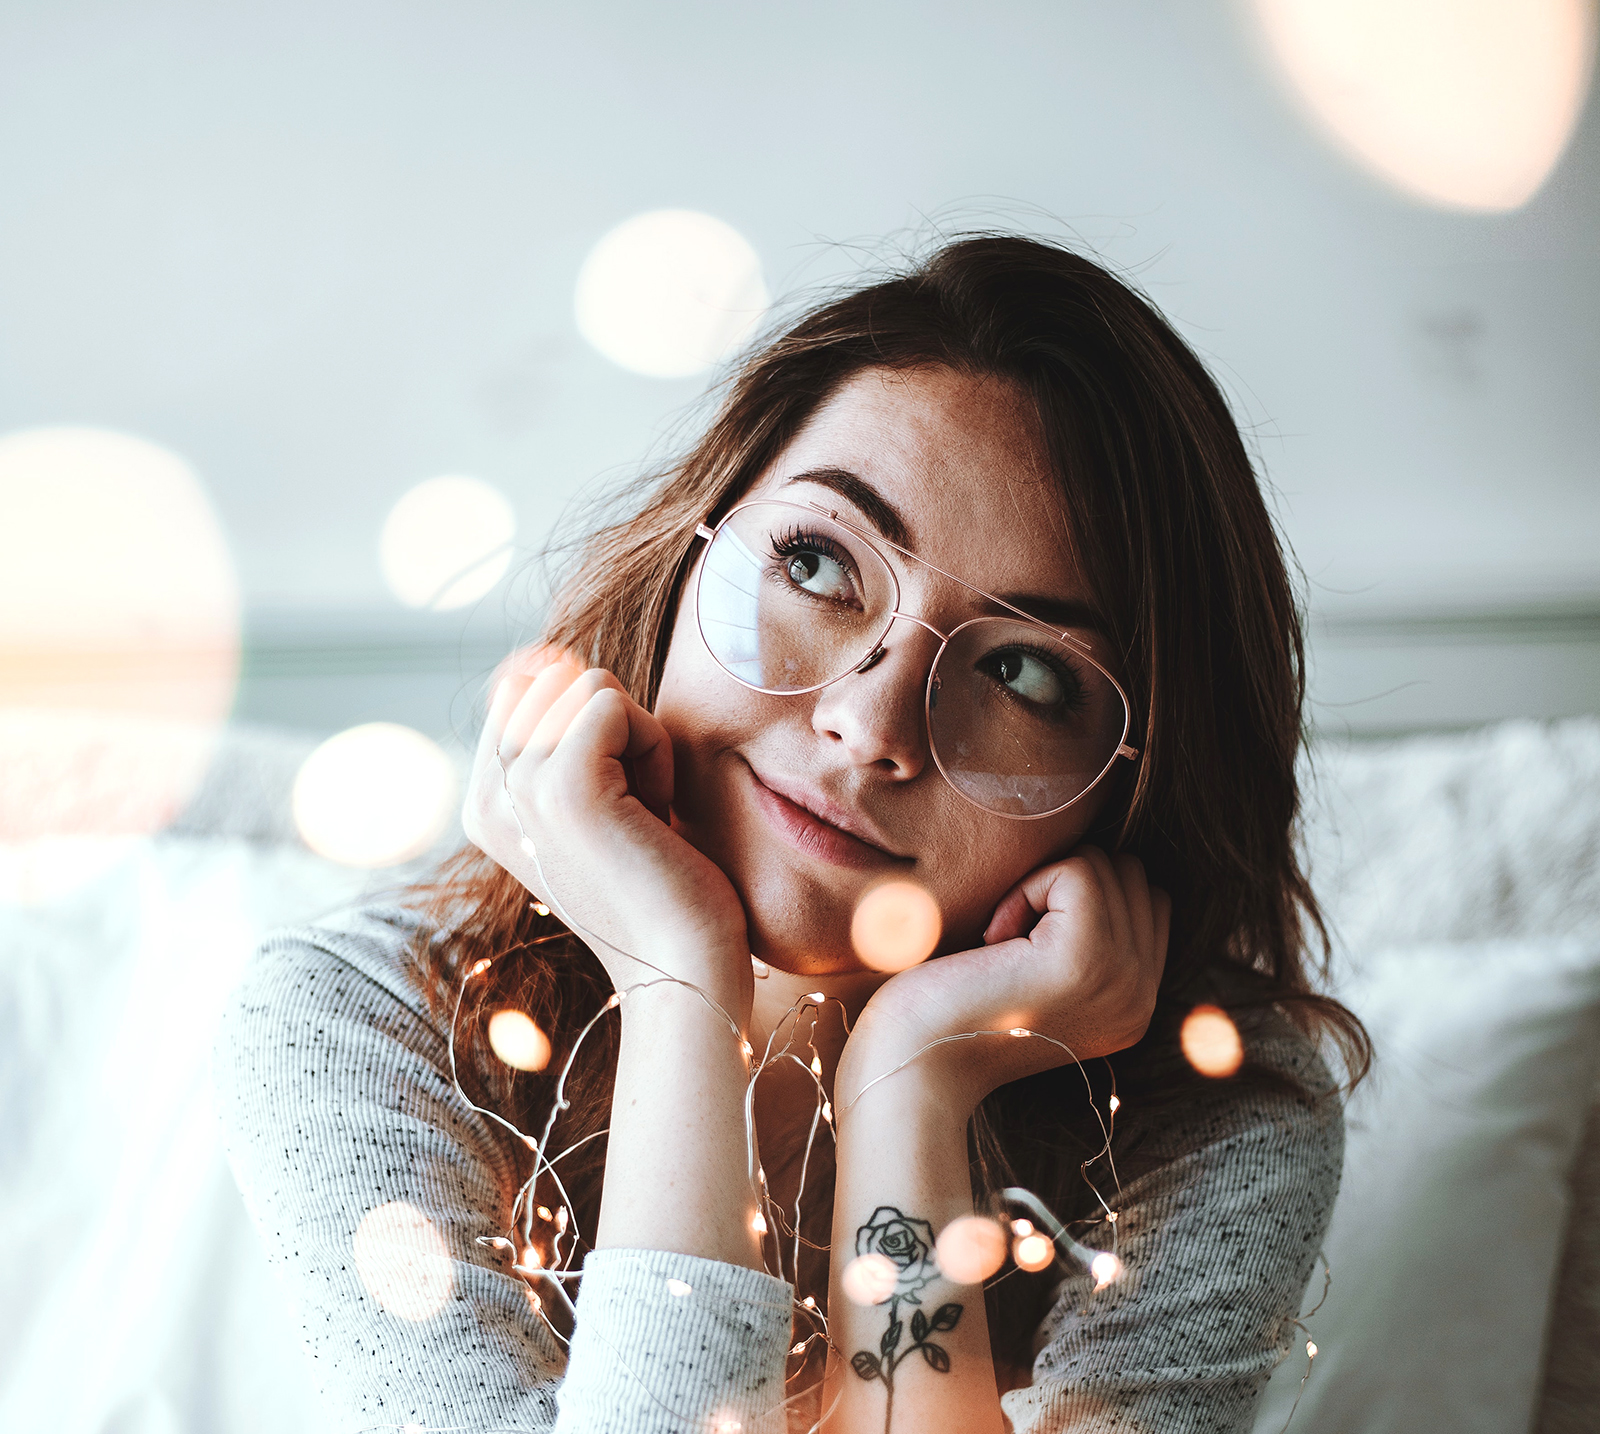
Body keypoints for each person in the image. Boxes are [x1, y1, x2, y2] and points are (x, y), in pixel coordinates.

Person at [215, 234, 1369, 1434]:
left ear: (1132, 783)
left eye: (1024, 672)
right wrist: (679, 993)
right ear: (689, 550)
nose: (869, 725)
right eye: (815, 562)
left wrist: (911, 1089)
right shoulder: (361, 1027)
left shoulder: (1218, 1109)